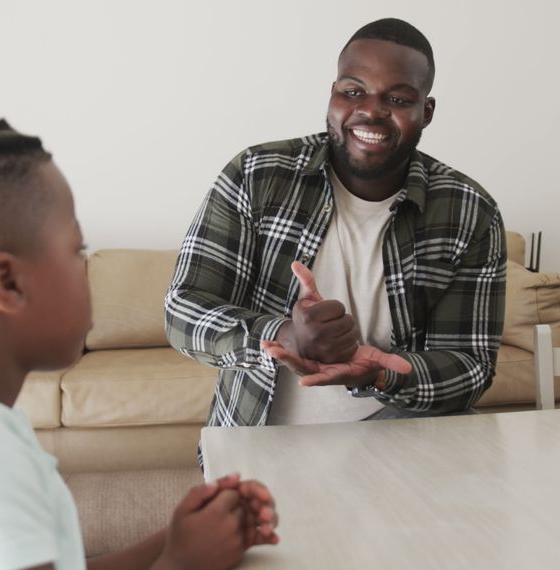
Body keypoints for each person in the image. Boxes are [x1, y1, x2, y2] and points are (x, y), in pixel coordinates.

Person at [0, 116, 278, 569]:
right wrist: (184, 562)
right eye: (76, 250)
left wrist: (171, 542)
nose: (84, 268)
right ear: (8, 284)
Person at [165, 18, 506, 428]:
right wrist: (284, 335)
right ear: (333, 95)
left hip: (398, 442)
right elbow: (183, 309)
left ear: (426, 111)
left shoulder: (469, 211)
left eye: (397, 99)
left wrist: (382, 373)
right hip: (256, 439)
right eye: (353, 92)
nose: (371, 112)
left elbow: (470, 367)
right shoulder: (257, 175)